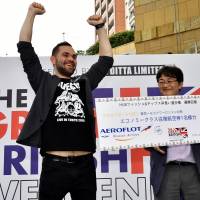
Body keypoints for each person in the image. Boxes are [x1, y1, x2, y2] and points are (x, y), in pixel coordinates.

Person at [16, 2, 113, 200]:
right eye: (66, 55)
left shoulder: (84, 83)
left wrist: (101, 28)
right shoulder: (43, 81)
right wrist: (31, 13)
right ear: (53, 59)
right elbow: (25, 48)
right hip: (54, 167)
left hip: (85, 166)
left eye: (74, 57)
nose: (71, 59)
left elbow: (106, 61)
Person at [146, 66, 200, 200]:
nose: (165, 85)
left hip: (194, 168)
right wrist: (150, 141)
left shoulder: (195, 107)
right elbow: (142, 135)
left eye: (170, 81)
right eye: (161, 81)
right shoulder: (148, 108)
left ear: (180, 85)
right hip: (166, 170)